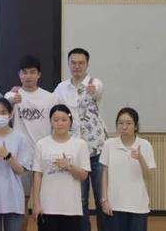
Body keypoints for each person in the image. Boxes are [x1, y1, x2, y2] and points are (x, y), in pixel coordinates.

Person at [54, 48, 108, 231]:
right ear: (68, 64)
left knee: (102, 197)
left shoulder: (95, 83)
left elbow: (97, 91)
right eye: (73, 63)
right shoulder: (61, 88)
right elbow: (51, 106)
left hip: (97, 149)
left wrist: (93, 90)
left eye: (81, 63)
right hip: (75, 151)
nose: (77, 66)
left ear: (87, 64)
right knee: (80, 199)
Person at [4, 55, 58, 231]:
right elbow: (3, 115)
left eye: (32, 72)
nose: (28, 76)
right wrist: (11, 100)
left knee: (46, 201)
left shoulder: (51, 98)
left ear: (39, 74)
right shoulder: (13, 96)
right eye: (24, 72)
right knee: (22, 202)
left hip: (46, 156)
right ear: (19, 75)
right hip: (22, 158)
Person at [32, 104, 90, 231]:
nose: (60, 123)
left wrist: (69, 166)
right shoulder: (41, 144)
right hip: (47, 207)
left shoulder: (80, 145)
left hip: (72, 208)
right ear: (50, 122)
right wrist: (36, 203)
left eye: (64, 120)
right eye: (56, 120)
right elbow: (37, 175)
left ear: (70, 121)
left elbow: (84, 175)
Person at [100, 108, 156, 231]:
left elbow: (149, 176)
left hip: (138, 206)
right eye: (120, 123)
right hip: (114, 205)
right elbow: (105, 173)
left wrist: (140, 158)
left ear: (136, 126)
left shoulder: (145, 145)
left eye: (129, 123)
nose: (124, 127)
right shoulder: (109, 144)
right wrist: (104, 200)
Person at [0, 98, 32, 231]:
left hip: (13, 197)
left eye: (3, 112)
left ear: (11, 115)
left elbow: (20, 170)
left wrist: (8, 156)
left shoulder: (20, 138)